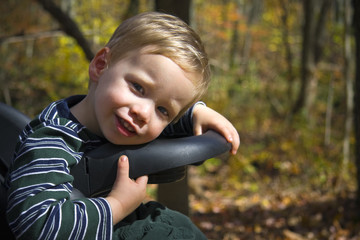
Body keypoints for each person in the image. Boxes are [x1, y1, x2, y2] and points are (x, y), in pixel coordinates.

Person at [6, 12, 240, 239]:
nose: (143, 113)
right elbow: (38, 225)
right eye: (138, 87)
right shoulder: (51, 141)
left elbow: (165, 127)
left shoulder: (111, 120)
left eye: (163, 110)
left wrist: (197, 112)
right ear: (100, 65)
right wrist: (117, 205)